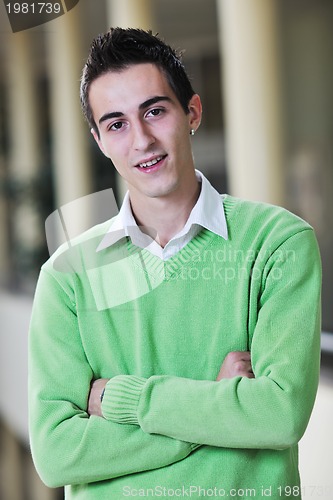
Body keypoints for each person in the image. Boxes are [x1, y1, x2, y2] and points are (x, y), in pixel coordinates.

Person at [29, 28, 322, 499]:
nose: (141, 140)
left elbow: (278, 415)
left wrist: (122, 400)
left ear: (192, 113)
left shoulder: (278, 243)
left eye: (155, 111)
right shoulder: (67, 277)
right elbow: (57, 453)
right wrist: (216, 401)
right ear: (100, 140)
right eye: (117, 123)